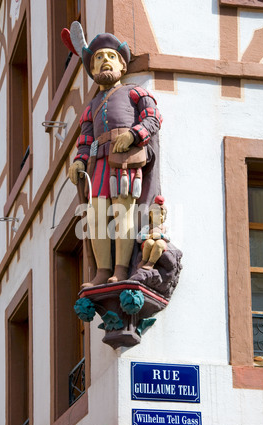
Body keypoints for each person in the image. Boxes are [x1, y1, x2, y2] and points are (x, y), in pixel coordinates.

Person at [64, 25, 163, 287]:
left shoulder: (135, 92)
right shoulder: (91, 107)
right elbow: (85, 139)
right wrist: (78, 160)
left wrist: (134, 135)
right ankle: (101, 271)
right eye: (98, 58)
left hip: (125, 158)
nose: (104, 61)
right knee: (96, 216)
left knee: (123, 212)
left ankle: (120, 269)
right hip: (98, 162)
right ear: (93, 70)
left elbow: (153, 118)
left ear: (121, 65)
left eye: (110, 56)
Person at [137, 195, 170, 270]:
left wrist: (161, 236)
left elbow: (169, 238)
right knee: (149, 243)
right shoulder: (147, 227)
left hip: (160, 244)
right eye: (157, 213)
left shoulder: (164, 228)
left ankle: (151, 263)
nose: (160, 216)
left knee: (159, 243)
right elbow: (138, 238)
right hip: (149, 242)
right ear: (151, 215)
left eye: (163, 214)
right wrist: (148, 236)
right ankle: (144, 260)